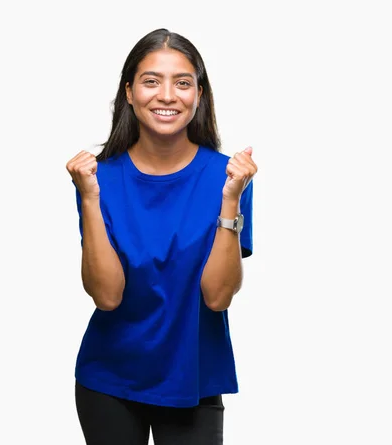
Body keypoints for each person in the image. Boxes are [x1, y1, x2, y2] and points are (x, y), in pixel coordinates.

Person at [65, 28, 257, 445]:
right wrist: (90, 199)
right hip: (109, 382)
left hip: (195, 378)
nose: (167, 95)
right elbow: (107, 295)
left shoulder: (229, 178)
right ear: (129, 93)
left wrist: (229, 203)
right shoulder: (97, 179)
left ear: (199, 95)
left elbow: (218, 297)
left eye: (182, 82)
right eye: (151, 81)